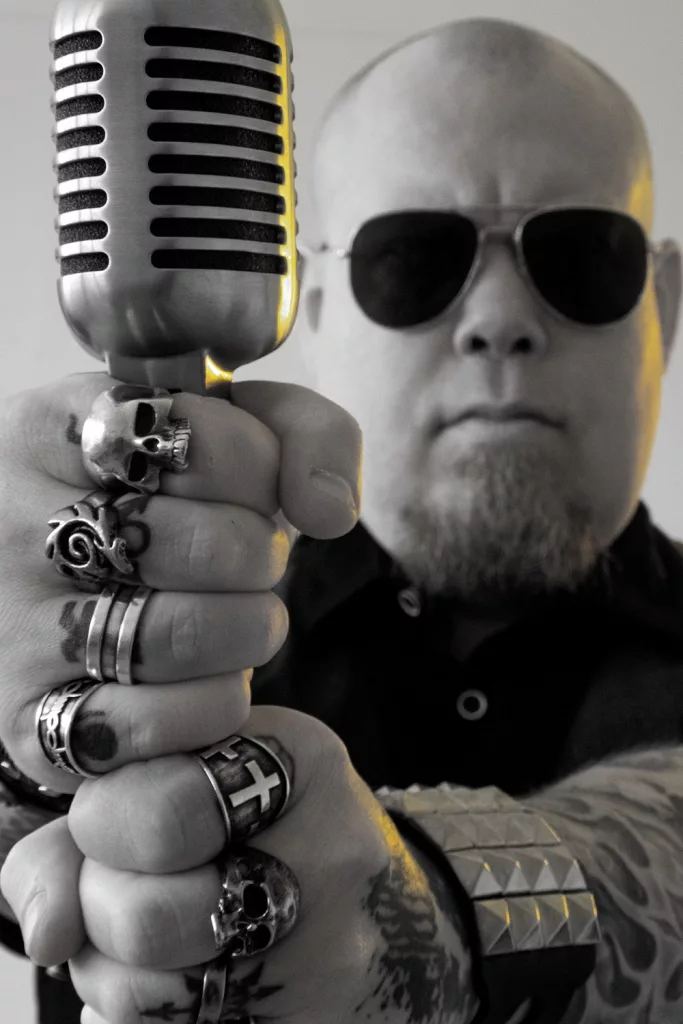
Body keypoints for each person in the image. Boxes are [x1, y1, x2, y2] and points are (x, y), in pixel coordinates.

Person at [0, 13, 682, 1024]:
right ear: (310, 305)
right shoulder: (125, 631)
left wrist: (432, 918)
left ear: (662, 303)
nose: (498, 318)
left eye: (581, 256)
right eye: (412, 260)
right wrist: (24, 764)